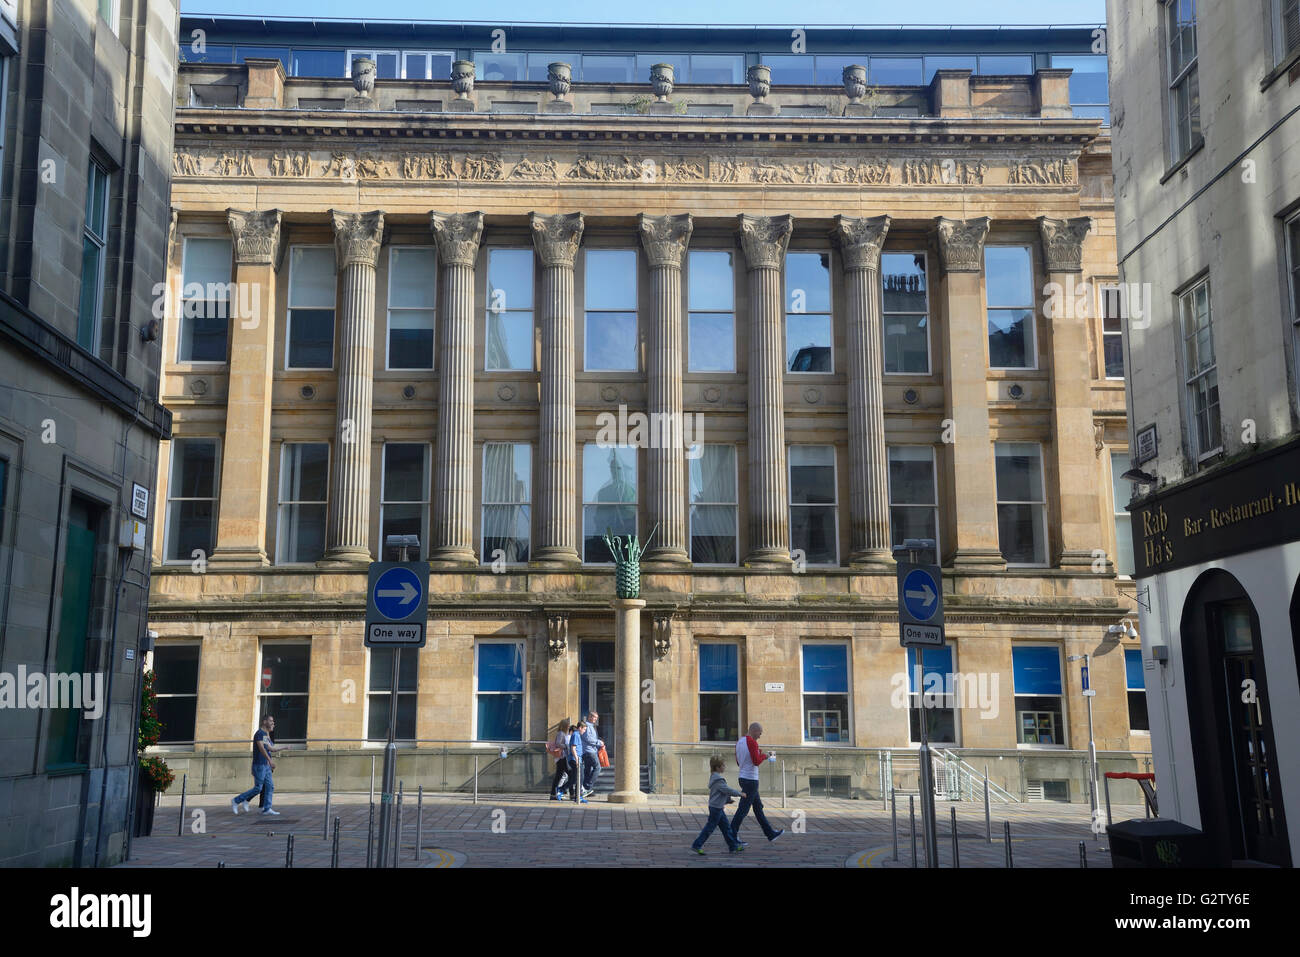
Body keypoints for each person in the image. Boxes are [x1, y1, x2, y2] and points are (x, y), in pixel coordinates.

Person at [731, 722, 784, 843]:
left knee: (758, 807)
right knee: (743, 809)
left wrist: (757, 753)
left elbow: (739, 762)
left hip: (743, 777)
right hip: (751, 779)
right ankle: (731, 835)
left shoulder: (739, 742)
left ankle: (770, 833)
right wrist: (764, 756)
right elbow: (756, 761)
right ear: (754, 730)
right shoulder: (752, 742)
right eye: (760, 733)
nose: (760, 735)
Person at [231, 714, 287, 816]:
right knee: (258, 788)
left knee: (270, 786)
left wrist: (284, 747)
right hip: (259, 765)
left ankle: (267, 809)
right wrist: (270, 760)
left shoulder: (265, 734)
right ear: (264, 722)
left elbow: (270, 748)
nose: (272, 723)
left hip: (266, 766)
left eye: (273, 721)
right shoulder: (259, 734)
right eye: (271, 721)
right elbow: (261, 749)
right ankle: (236, 800)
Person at [690, 756, 747, 855]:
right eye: (723, 765)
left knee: (726, 828)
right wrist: (740, 793)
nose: (725, 767)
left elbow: (720, 793)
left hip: (717, 807)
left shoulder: (714, 777)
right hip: (716, 808)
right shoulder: (719, 780)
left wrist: (727, 800)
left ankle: (733, 846)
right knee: (710, 828)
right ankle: (697, 845)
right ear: (717, 768)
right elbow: (727, 790)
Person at [581, 711, 603, 797]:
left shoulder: (591, 726)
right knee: (598, 768)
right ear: (589, 717)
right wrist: (599, 742)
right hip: (589, 751)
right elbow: (588, 739)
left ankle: (586, 791)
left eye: (596, 718)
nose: (595, 719)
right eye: (594, 717)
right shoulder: (586, 726)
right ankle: (587, 787)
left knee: (588, 770)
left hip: (590, 751)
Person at [549, 718, 572, 800]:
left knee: (559, 776)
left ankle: (554, 794)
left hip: (561, 758)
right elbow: (558, 744)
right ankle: (569, 793)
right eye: (568, 725)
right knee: (571, 775)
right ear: (565, 726)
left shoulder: (562, 733)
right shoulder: (561, 733)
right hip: (562, 757)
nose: (569, 727)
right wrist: (566, 746)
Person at [568, 720, 588, 804]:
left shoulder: (577, 734)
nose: (584, 731)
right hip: (575, 759)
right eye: (584, 729)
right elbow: (573, 748)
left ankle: (578, 796)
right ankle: (577, 796)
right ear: (580, 728)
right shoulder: (576, 735)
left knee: (578, 778)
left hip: (578, 759)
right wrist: (577, 759)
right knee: (579, 778)